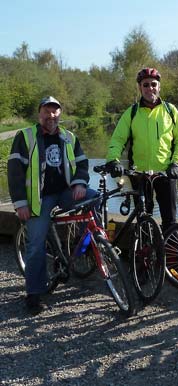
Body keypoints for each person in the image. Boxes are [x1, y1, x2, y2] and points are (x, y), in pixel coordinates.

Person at [8, 96, 98, 315]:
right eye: (47, 111)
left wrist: (79, 182)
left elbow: (82, 163)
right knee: (36, 245)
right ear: (39, 113)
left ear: (60, 114)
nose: (51, 115)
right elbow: (15, 171)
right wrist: (21, 203)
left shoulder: (69, 137)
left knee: (95, 197)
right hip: (39, 199)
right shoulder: (25, 136)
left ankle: (82, 247)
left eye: (55, 111)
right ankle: (34, 294)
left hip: (65, 192)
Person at [106, 67, 178, 232]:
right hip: (140, 175)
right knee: (143, 220)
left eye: (153, 84)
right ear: (140, 88)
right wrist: (113, 160)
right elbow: (117, 139)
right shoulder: (132, 113)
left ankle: (167, 257)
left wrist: (176, 163)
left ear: (159, 87)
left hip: (166, 173)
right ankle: (144, 255)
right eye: (145, 85)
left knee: (170, 222)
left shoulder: (170, 111)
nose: (150, 88)